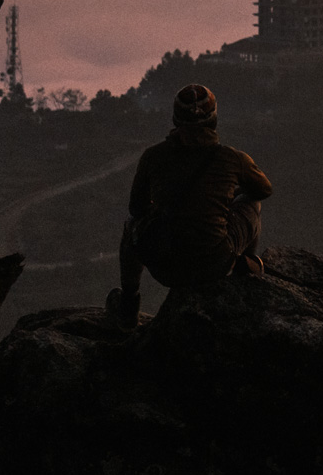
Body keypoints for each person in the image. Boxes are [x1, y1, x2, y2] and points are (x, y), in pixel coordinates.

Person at [106, 83, 273, 327]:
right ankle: (245, 267)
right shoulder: (232, 158)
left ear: (176, 120)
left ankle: (129, 304)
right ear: (213, 119)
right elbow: (263, 190)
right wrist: (225, 196)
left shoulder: (153, 156)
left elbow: (136, 209)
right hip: (216, 263)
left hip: (167, 267)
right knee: (251, 201)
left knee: (131, 225)